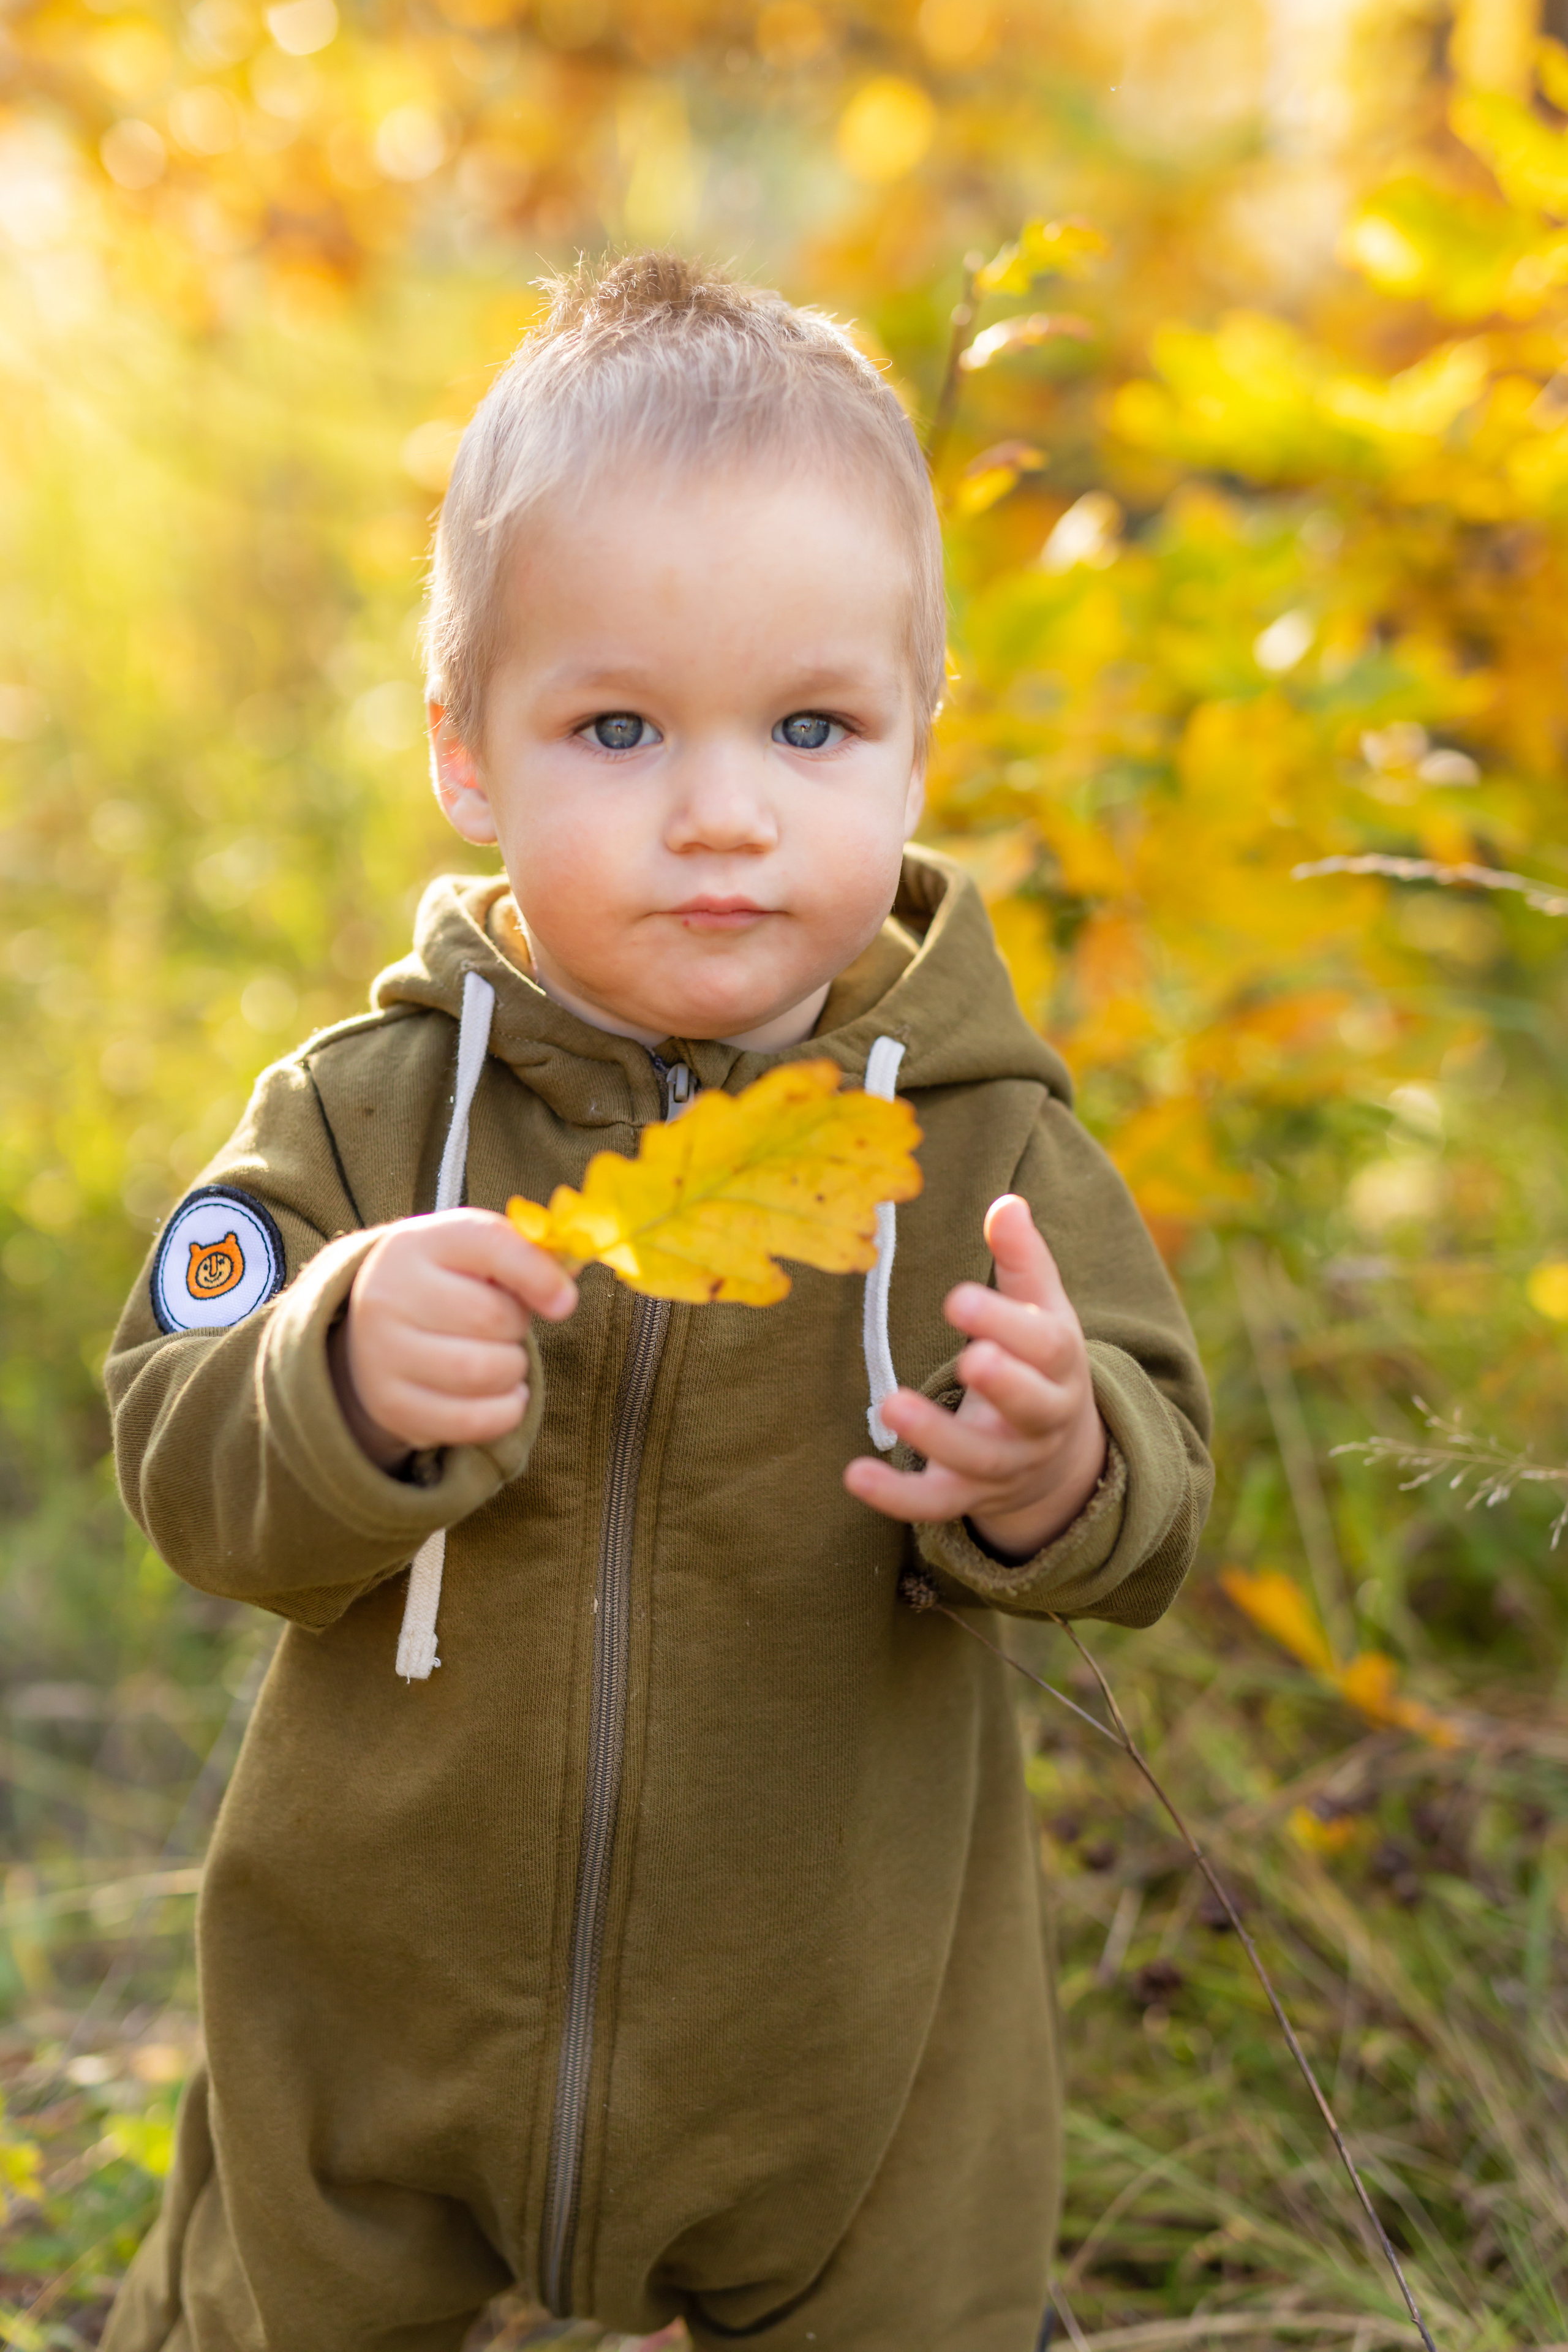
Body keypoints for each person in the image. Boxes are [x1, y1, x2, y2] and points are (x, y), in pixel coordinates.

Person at [103, 252, 1212, 2352]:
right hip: (375, 2010)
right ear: (465, 750)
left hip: (848, 2033)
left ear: (913, 742)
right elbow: (175, 1448)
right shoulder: (364, 1116)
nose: (722, 809)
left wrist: (1064, 1460)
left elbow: (1160, 1486)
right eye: (617, 726)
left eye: (810, 726)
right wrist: (325, 1361)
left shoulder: (978, 1144)